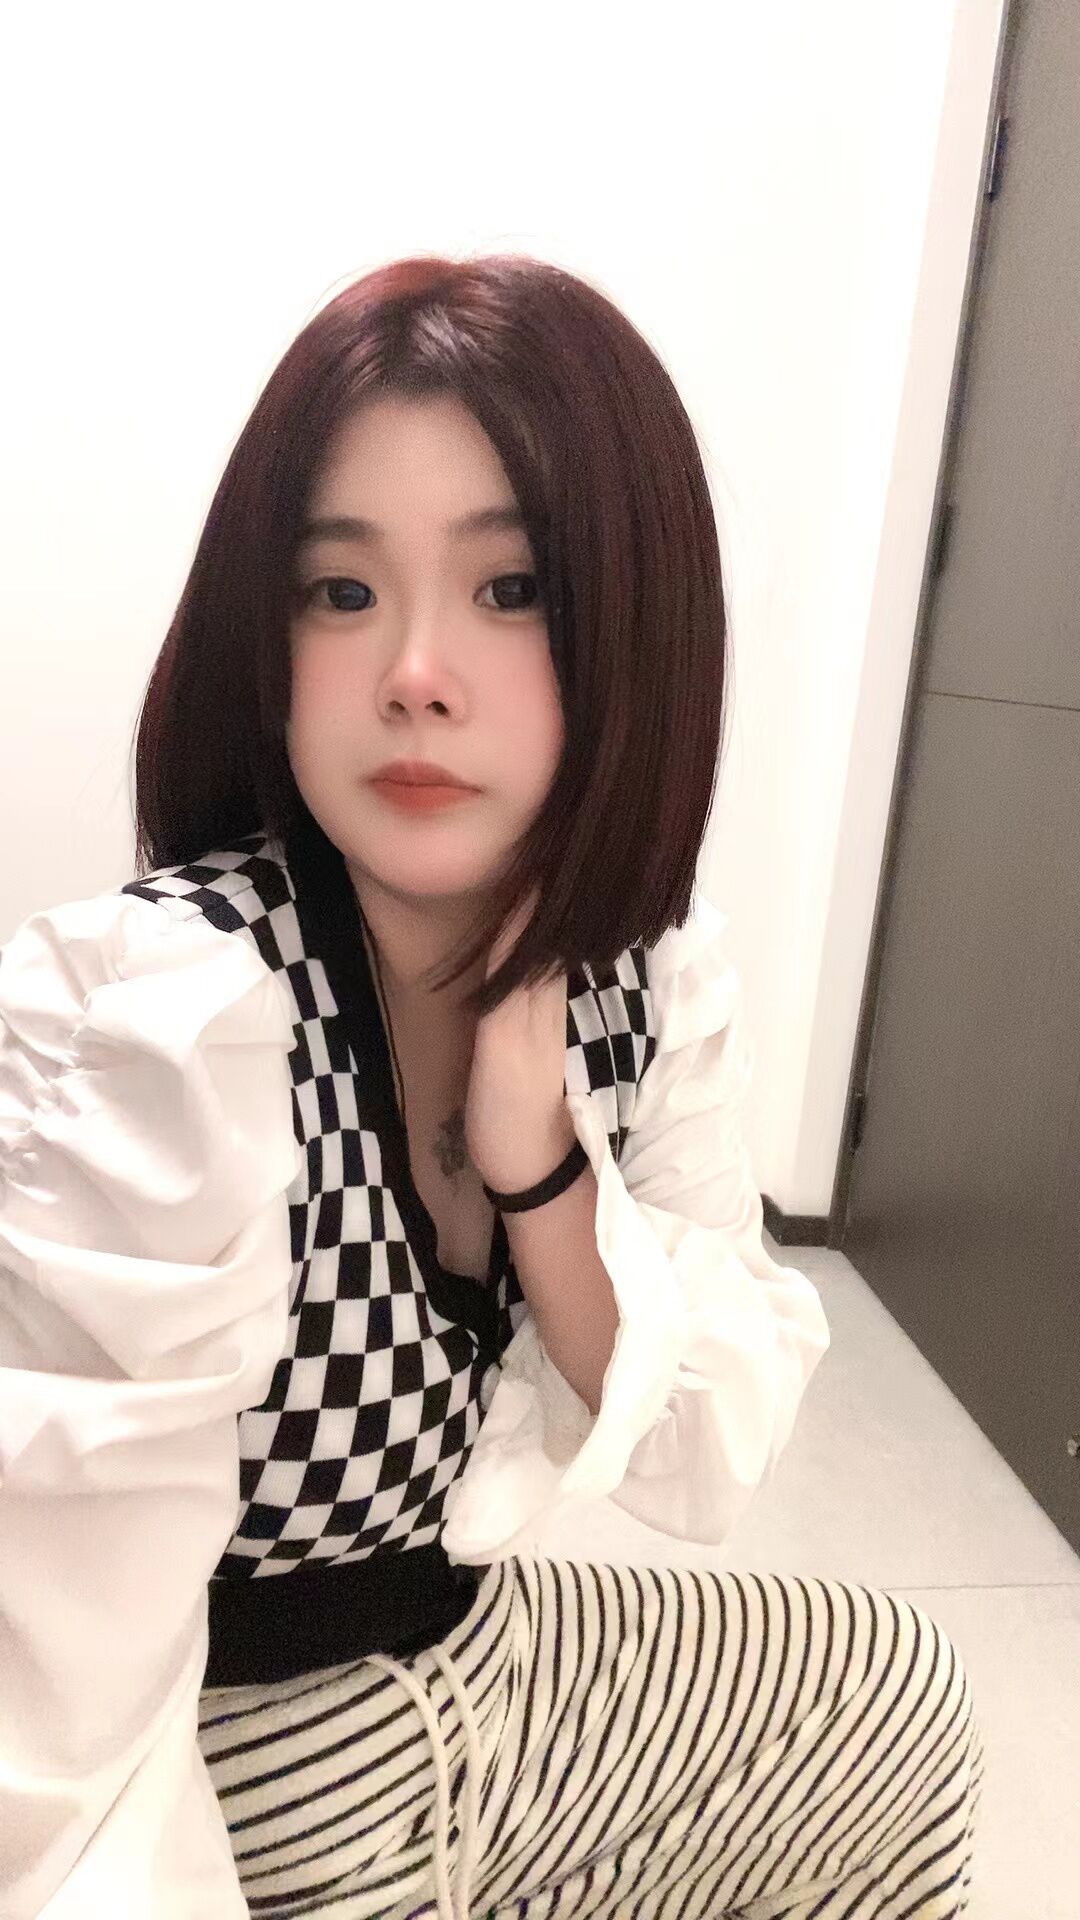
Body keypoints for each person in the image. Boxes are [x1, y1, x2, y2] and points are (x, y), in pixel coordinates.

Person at [0, 254, 984, 1920]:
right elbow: (53, 1723)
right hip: (216, 1753)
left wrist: (543, 1171)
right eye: (341, 591)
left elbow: (704, 1455)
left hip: (471, 1646)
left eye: (512, 588)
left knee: (887, 1693)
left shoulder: (645, 977)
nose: (415, 671)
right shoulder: (160, 1026)